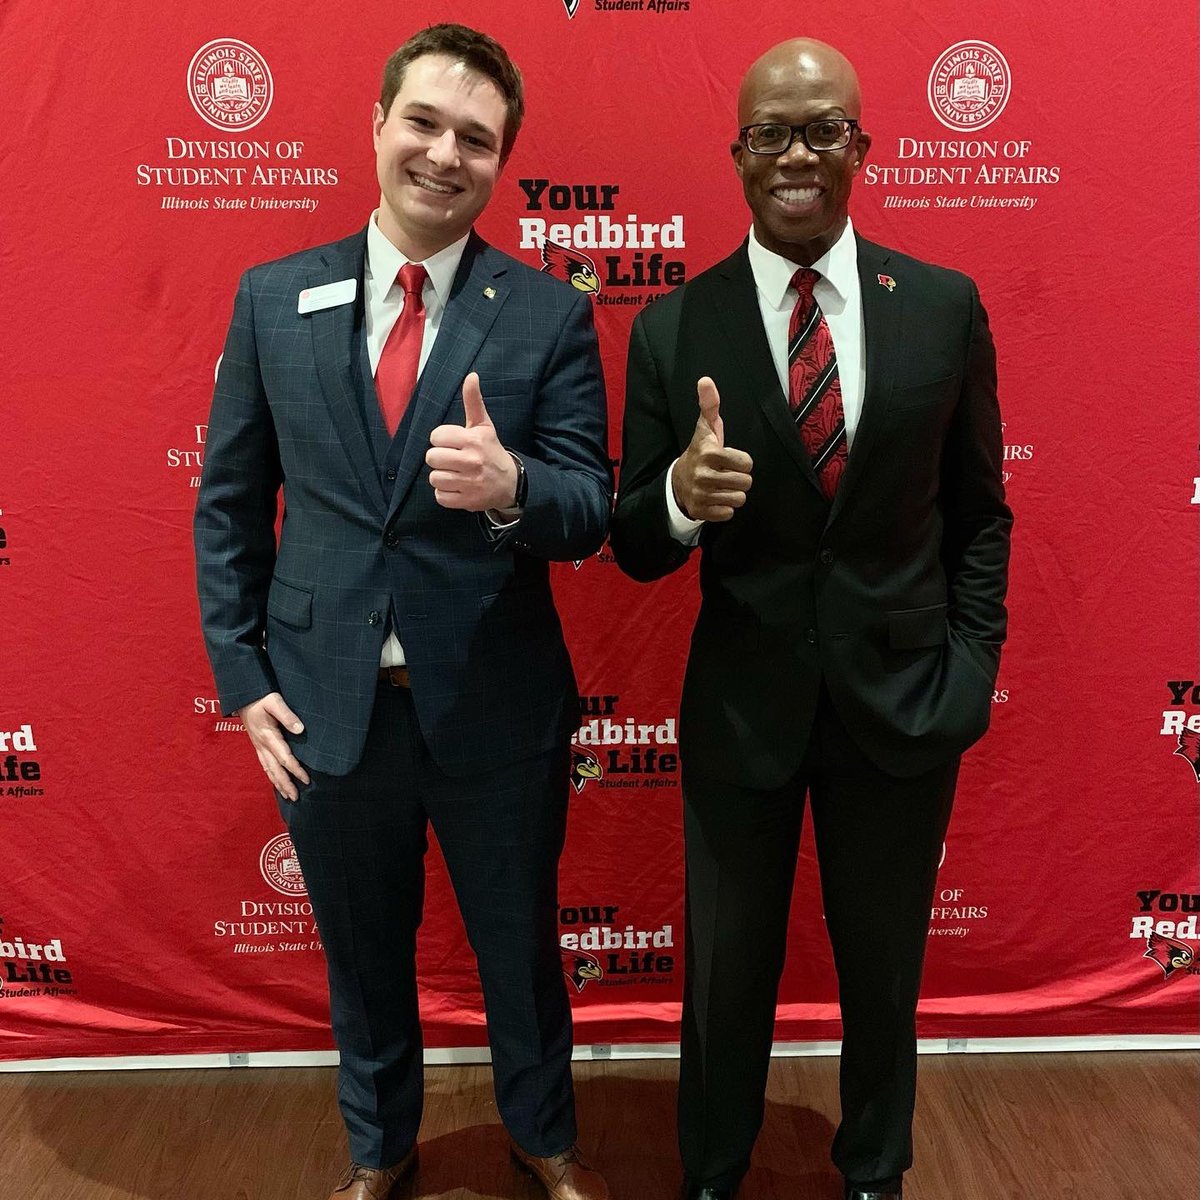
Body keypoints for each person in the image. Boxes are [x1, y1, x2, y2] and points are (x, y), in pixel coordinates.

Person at [194, 24, 612, 1200]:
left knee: (519, 952)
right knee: (363, 958)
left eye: (475, 139)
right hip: (328, 711)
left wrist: (514, 487)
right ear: (378, 125)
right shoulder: (274, 297)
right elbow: (229, 504)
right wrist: (243, 679)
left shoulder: (547, 314)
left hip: (497, 711)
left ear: (501, 163)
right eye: (423, 122)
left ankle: (546, 1139)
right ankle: (378, 1150)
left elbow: (589, 505)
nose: (443, 154)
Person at [610, 37, 1011, 1200]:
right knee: (725, 972)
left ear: (861, 147)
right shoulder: (672, 327)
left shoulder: (941, 306)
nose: (797, 154)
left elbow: (981, 513)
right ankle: (712, 1171)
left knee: (884, 972)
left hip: (903, 706)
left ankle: (875, 1168)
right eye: (771, 134)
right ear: (737, 154)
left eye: (823, 129)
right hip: (742, 711)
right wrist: (679, 499)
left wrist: (970, 669)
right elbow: (633, 543)